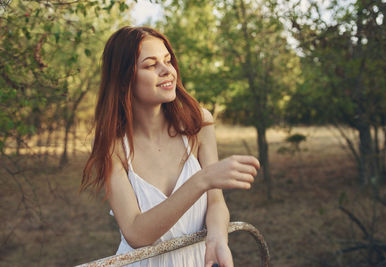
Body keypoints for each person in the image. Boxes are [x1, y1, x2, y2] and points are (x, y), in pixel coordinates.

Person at [81, 26, 260, 267]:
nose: (167, 71)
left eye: (168, 61)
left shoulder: (199, 124)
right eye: (151, 65)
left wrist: (217, 237)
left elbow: (216, 202)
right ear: (124, 78)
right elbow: (135, 233)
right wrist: (201, 180)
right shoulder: (111, 143)